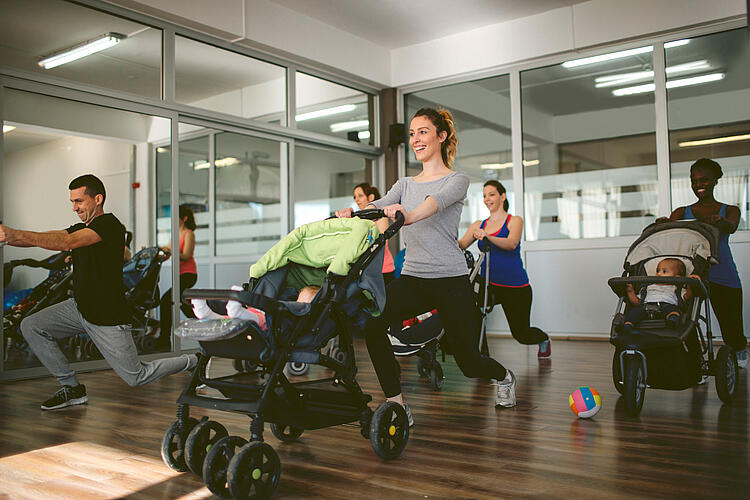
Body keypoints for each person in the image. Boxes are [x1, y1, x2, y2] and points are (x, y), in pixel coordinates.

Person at [336, 107, 517, 425]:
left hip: (450, 279)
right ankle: (397, 403)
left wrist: (404, 214)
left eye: (422, 132)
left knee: (469, 363)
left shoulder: (457, 179)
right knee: (373, 324)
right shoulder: (404, 183)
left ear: (441, 136)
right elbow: (377, 206)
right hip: (414, 278)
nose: (415, 139)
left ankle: (504, 377)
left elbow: (434, 204)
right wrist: (353, 212)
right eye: (411, 133)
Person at [0, 174, 197, 410]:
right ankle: (72, 388)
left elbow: (67, 242)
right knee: (32, 325)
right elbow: (60, 237)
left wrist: (15, 234)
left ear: (98, 199)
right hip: (78, 307)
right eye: (72, 202)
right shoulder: (80, 228)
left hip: (106, 315)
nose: (74, 207)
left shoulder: (109, 225)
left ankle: (192, 360)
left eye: (79, 201)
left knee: (137, 376)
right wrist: (8, 238)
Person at [458, 180, 551, 359]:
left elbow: (511, 243)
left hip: (515, 286)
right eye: (485, 195)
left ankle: (544, 338)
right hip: (488, 283)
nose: (487, 199)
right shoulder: (478, 224)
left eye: (491, 194)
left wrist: (488, 236)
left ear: (502, 196)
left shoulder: (514, 221)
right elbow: (462, 244)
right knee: (473, 313)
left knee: (521, 334)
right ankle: (482, 358)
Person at [668, 158, 747, 368]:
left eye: (704, 180)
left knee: (731, 326)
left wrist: (721, 222)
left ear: (715, 181)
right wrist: (664, 224)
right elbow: (670, 234)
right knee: (685, 320)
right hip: (690, 274)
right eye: (694, 181)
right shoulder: (680, 212)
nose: (698, 185)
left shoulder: (730, 210)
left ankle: (738, 356)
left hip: (722, 273)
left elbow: (731, 226)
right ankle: (696, 362)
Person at [191, 285, 320, 331]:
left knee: (241, 319)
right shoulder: (288, 305)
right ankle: (207, 315)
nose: (299, 305)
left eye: (304, 304)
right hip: (256, 315)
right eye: (299, 301)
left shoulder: (306, 320)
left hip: (270, 326)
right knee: (229, 320)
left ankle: (235, 310)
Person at [622, 258, 700, 332]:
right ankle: (628, 325)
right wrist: (630, 291)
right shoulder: (648, 288)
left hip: (666, 306)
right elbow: (637, 302)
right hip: (645, 307)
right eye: (658, 270)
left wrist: (690, 284)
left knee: (673, 311)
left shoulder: (677, 289)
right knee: (634, 312)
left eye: (664, 271)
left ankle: (672, 321)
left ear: (677, 277)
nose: (659, 274)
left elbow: (687, 297)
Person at [158, 205, 198, 348]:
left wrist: (170, 250)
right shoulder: (175, 234)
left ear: (184, 218)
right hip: (179, 274)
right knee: (181, 304)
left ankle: (164, 340)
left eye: (177, 217)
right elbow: (169, 254)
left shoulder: (189, 234)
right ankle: (204, 322)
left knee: (166, 300)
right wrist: (160, 253)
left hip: (189, 274)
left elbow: (186, 255)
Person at [352, 183, 396, 285]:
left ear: (371, 197)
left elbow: (381, 243)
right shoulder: (359, 219)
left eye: (360, 196)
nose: (357, 200)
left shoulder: (381, 217)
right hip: (366, 270)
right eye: (355, 197)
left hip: (383, 269)